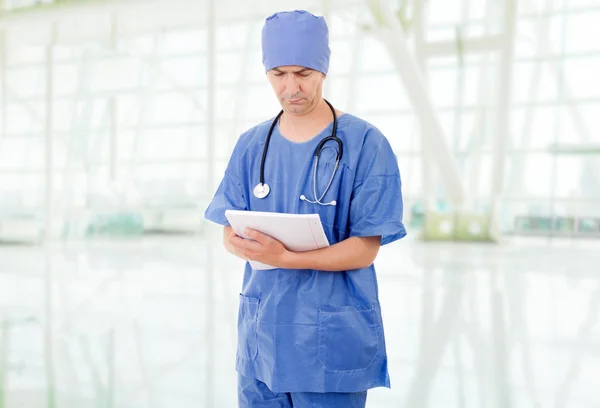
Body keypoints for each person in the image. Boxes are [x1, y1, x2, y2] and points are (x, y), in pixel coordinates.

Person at [204, 9, 407, 408]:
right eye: (278, 74)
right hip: (262, 344)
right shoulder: (251, 145)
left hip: (331, 346)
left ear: (323, 70)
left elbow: (366, 247)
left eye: (303, 74)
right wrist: (243, 245)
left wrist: (284, 256)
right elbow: (228, 230)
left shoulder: (366, 144)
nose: (291, 87)